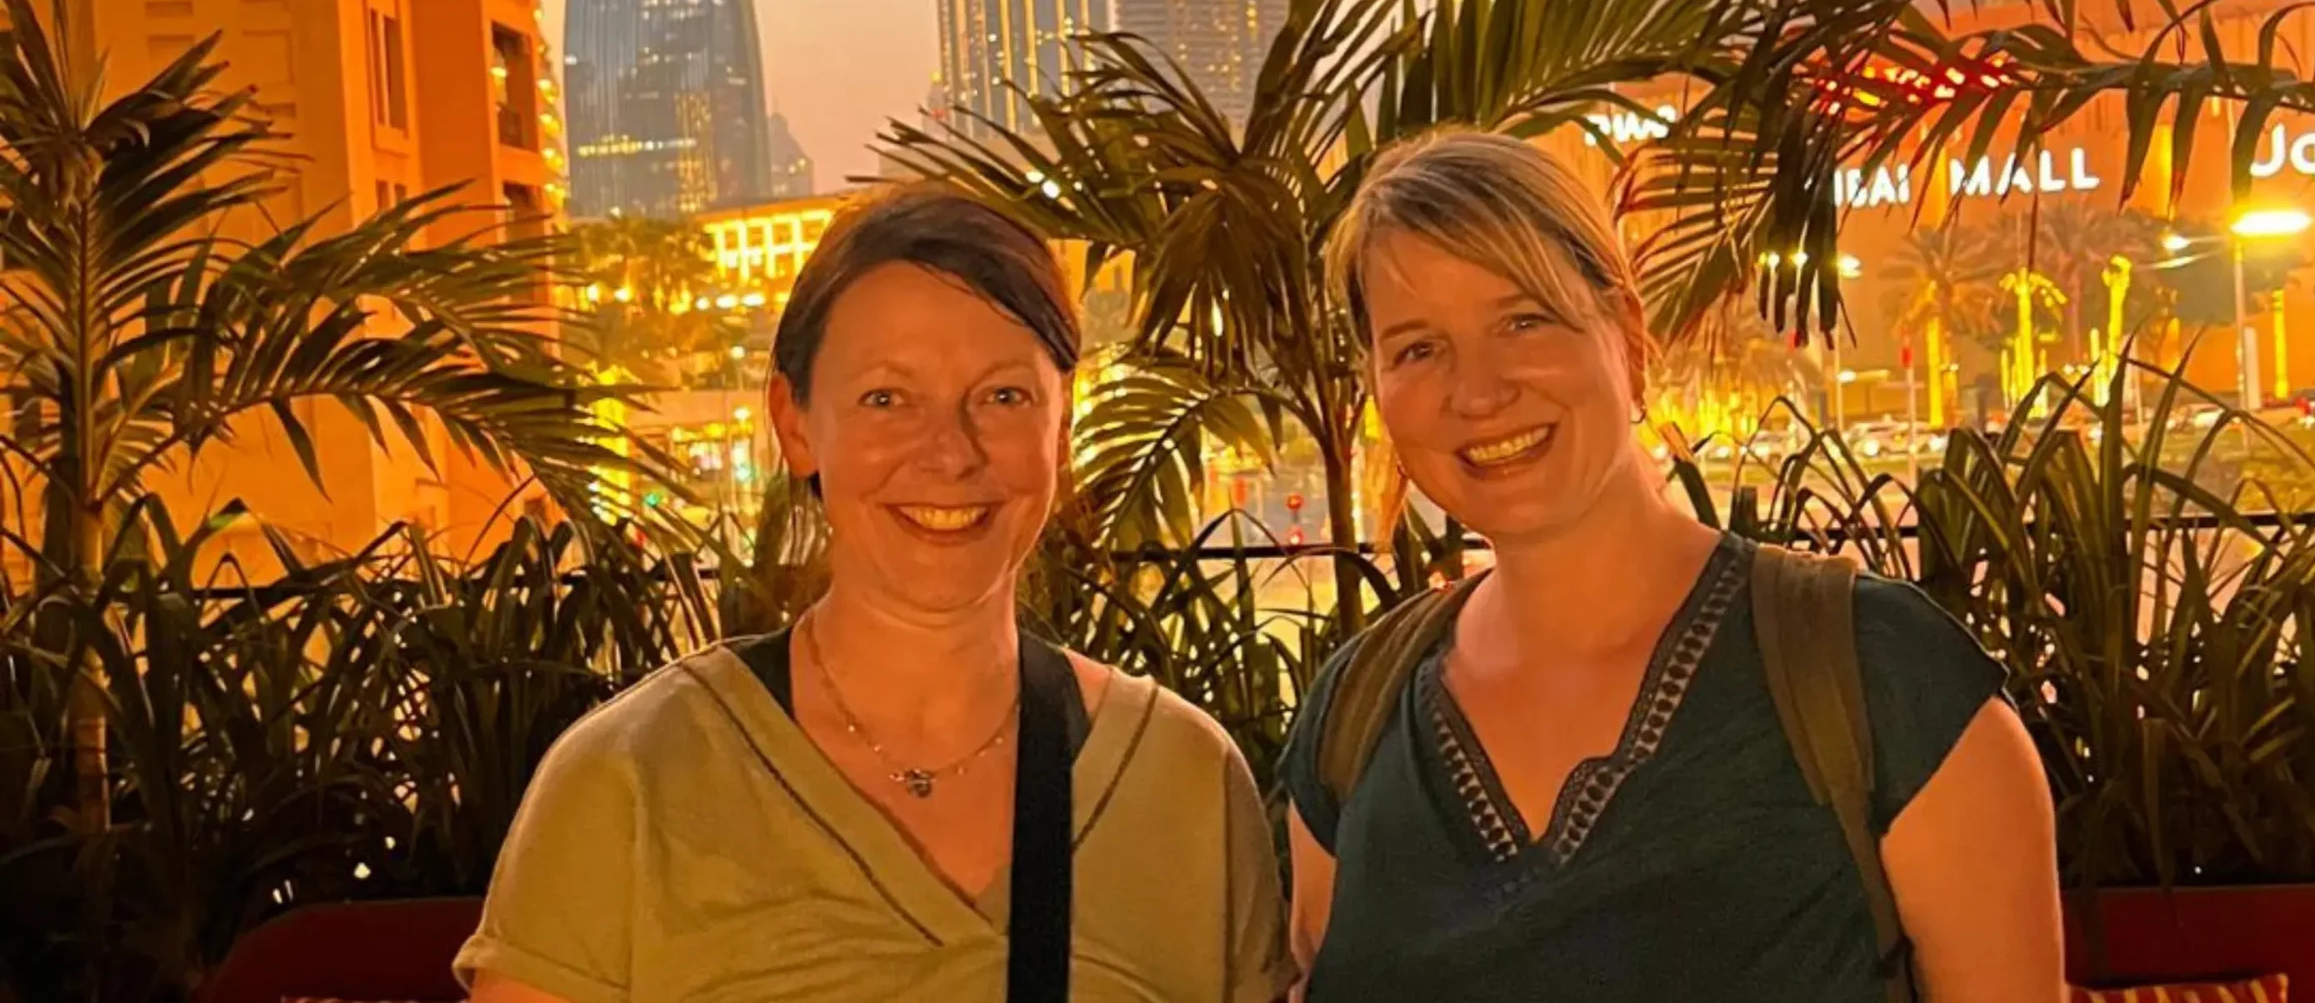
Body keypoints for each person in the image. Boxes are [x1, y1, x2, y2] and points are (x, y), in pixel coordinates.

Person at [1278, 132, 2063, 1002]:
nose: (1478, 390)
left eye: (1523, 320)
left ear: (1626, 334)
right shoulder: (1357, 716)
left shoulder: (1876, 680)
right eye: (1419, 348)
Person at [459, 188, 1293, 1003]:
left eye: (1003, 397)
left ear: (1061, 424)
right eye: (886, 399)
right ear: (795, 422)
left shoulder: (1185, 780)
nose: (949, 453)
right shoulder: (630, 781)